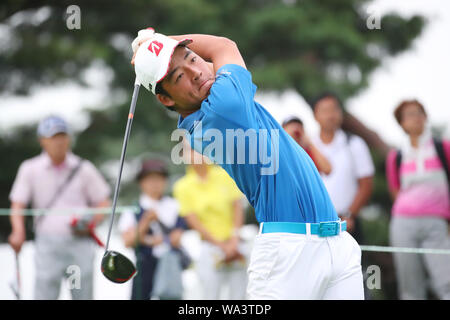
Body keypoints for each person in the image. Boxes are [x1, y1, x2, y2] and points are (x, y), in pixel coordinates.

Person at [130, 29, 363, 299]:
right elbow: (222, 46)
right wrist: (163, 39)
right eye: (179, 76)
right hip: (287, 253)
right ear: (167, 99)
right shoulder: (222, 110)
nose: (195, 72)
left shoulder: (219, 102)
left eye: (192, 59)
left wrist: (157, 46)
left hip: (336, 242)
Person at [8, 115, 111, 300]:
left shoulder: (83, 168)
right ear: (42, 140)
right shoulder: (30, 168)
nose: (59, 142)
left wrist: (91, 222)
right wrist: (18, 231)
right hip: (47, 244)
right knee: (45, 294)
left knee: (82, 294)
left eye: (62, 136)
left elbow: (103, 201)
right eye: (53, 137)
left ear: (69, 139)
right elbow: (18, 204)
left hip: (80, 243)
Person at [386, 100, 450, 300]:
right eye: (409, 115)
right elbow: (395, 190)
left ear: (425, 117)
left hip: (436, 222)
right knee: (410, 287)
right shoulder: (396, 156)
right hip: (403, 223)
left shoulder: (443, 148)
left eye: (418, 113)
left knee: (446, 281)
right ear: (402, 123)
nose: (415, 118)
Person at [173, 146, 247, 299]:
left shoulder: (225, 174)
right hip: (210, 246)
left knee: (239, 296)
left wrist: (233, 240)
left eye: (198, 148)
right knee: (210, 295)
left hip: (235, 243)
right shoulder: (182, 186)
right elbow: (194, 222)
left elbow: (237, 208)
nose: (196, 153)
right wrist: (222, 246)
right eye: (190, 150)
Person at [118, 158, 187, 300]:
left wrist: (147, 239)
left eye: (159, 179)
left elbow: (177, 238)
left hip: (169, 264)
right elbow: (128, 241)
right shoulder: (133, 208)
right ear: (141, 183)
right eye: (150, 179)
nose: (155, 184)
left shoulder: (174, 206)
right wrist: (146, 222)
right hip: (144, 265)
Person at [311, 93, 375, 244]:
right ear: (315, 115)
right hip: (314, 222)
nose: (330, 115)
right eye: (325, 111)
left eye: (334, 110)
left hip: (347, 222)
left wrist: (350, 215)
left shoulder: (354, 143)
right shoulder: (308, 146)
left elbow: (366, 184)